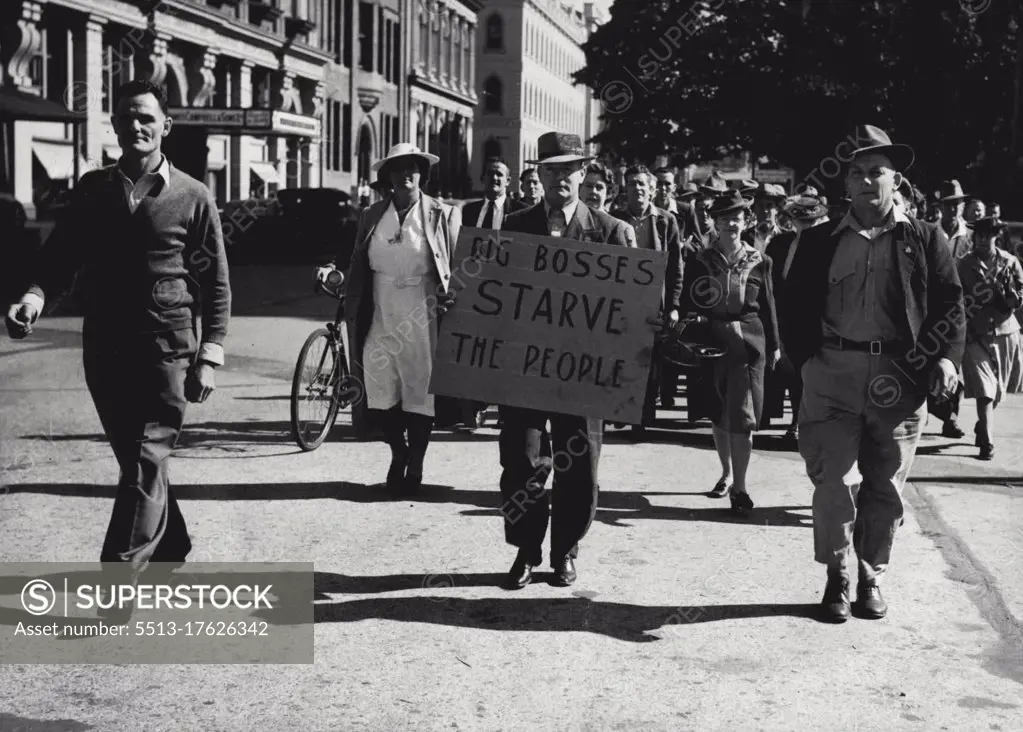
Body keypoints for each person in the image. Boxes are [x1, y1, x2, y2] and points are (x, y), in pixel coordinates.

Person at [4, 79, 231, 597]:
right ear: (115, 126)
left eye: (147, 118)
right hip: (104, 345)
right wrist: (35, 297)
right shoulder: (92, 189)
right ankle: (171, 541)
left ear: (165, 126)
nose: (136, 127)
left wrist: (209, 356)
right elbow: (62, 256)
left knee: (148, 452)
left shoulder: (193, 196)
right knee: (135, 457)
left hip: (167, 346)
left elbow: (215, 281)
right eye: (127, 117)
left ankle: (116, 582)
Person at [783, 124, 964, 623]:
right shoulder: (818, 240)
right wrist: (806, 365)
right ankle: (836, 576)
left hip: (900, 379)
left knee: (884, 487)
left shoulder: (925, 238)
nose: (866, 182)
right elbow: (793, 303)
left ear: (896, 180)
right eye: (857, 173)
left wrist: (945, 357)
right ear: (845, 184)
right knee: (832, 483)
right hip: (831, 374)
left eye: (877, 172)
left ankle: (871, 575)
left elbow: (950, 303)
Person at [497, 131, 636, 590]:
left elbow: (628, 306)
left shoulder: (612, 231)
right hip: (526, 367)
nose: (560, 176)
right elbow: (493, 296)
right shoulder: (515, 225)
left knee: (579, 466)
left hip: (584, 373)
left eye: (569, 168)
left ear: (583, 173)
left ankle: (565, 551)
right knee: (522, 461)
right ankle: (526, 550)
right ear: (539, 173)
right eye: (550, 168)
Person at [321, 143, 461, 494]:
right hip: (380, 307)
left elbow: (458, 265)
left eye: (413, 167)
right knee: (379, 384)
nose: (407, 174)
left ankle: (416, 463)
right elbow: (356, 256)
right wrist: (336, 274)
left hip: (422, 309)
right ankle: (398, 452)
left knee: (420, 387)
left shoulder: (440, 213)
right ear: (388, 177)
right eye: (398, 169)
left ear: (422, 174)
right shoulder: (372, 215)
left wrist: (452, 297)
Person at [680, 190, 780, 516]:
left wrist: (776, 346)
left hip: (748, 349)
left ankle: (741, 487)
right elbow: (687, 304)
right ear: (715, 222)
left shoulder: (761, 262)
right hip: (711, 345)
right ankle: (725, 472)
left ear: (746, 221)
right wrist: (688, 324)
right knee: (718, 414)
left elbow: (769, 309)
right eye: (725, 218)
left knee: (743, 419)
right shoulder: (700, 260)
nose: (731, 224)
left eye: (737, 218)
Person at [453, 157, 527, 431]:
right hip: (473, 291)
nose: (495, 180)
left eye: (500, 176)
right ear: (483, 179)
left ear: (508, 181)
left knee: (504, 353)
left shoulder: (521, 212)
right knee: (473, 350)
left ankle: (505, 409)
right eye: (491, 175)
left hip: (507, 295)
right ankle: (472, 407)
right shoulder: (468, 211)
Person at [612, 165, 684, 426]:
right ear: (625, 189)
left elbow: (676, 266)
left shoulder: (666, 221)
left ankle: (642, 417)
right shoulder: (615, 219)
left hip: (655, 302)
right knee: (622, 357)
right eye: (632, 184)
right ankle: (621, 410)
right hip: (623, 302)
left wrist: (674, 305)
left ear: (652, 189)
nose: (637, 188)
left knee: (650, 361)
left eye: (642, 184)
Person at [763, 194, 831, 442]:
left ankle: (804, 423)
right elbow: (769, 283)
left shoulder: (827, 245)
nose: (807, 226)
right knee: (790, 373)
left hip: (815, 318)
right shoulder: (779, 244)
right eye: (801, 220)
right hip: (784, 316)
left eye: (812, 221)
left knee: (812, 375)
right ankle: (795, 420)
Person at [957, 216, 1023, 460]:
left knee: (997, 391)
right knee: (985, 389)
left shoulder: (1010, 262)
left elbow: (1017, 301)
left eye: (989, 235)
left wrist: (1008, 294)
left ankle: (982, 424)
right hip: (975, 334)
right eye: (980, 235)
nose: (983, 239)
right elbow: (955, 300)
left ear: (997, 237)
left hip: (1005, 333)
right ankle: (988, 441)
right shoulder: (963, 265)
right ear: (974, 236)